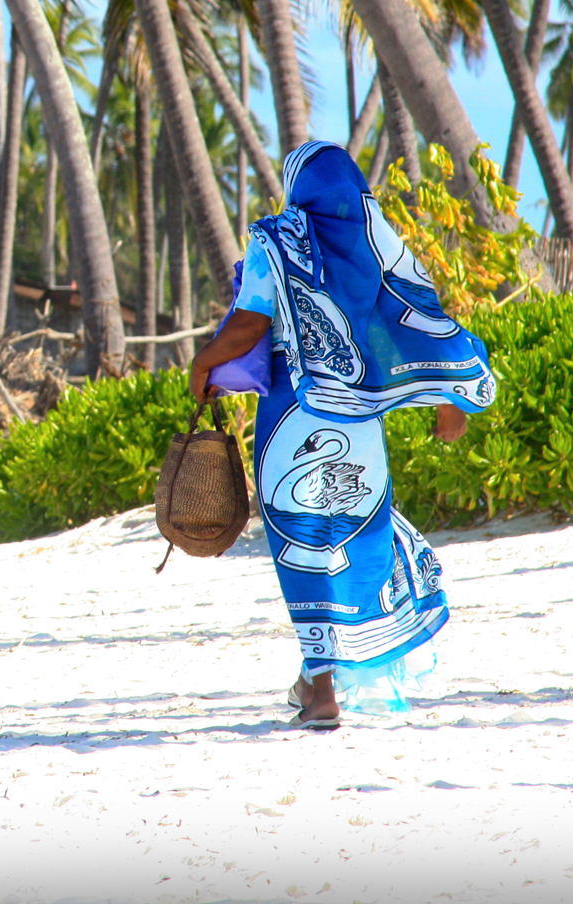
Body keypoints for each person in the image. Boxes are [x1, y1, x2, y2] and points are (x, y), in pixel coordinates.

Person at [189, 141, 492, 730]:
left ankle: (322, 690)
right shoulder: (380, 244)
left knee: (302, 541)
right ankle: (320, 678)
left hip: (291, 416)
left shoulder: (275, 241)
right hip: (356, 424)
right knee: (355, 535)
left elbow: (250, 321)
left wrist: (202, 363)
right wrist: (447, 396)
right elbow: (420, 319)